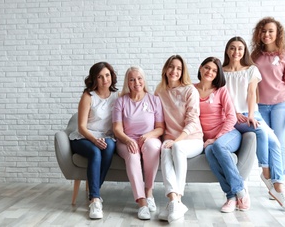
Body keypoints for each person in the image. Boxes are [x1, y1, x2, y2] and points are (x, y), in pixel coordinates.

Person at [222, 36, 285, 212]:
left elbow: (252, 94)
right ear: (227, 51)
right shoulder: (221, 72)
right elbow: (223, 97)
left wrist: (252, 115)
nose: (236, 52)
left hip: (252, 113)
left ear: (244, 51)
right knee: (260, 132)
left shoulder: (251, 70)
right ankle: (266, 172)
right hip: (233, 116)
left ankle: (278, 185)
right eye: (232, 48)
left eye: (239, 48)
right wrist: (236, 113)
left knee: (275, 142)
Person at [195, 57, 250, 213]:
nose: (210, 72)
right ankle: (231, 197)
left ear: (218, 73)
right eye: (207, 68)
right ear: (200, 68)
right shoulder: (191, 90)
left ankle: (239, 189)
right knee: (210, 152)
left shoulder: (221, 91)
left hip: (229, 134)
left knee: (217, 146)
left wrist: (216, 137)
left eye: (214, 70)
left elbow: (232, 117)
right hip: (208, 140)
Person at [155, 55, 204, 223]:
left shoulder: (190, 90)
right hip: (171, 139)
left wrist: (177, 140)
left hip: (192, 139)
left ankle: (178, 200)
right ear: (165, 69)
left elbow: (192, 121)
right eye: (171, 67)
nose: (174, 71)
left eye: (179, 68)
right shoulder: (159, 92)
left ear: (183, 72)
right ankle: (173, 200)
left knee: (176, 148)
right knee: (165, 149)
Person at [112, 66, 164, 220]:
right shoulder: (120, 101)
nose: (136, 82)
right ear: (127, 82)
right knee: (133, 154)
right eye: (132, 79)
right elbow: (117, 129)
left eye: (139, 78)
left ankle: (149, 192)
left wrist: (149, 135)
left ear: (144, 80)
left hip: (149, 138)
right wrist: (128, 140)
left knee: (153, 146)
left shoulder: (154, 100)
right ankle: (142, 203)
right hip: (126, 140)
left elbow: (160, 128)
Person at [69, 62, 119, 219]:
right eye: (100, 76)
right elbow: (82, 126)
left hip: (106, 136)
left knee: (110, 146)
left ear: (112, 76)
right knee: (95, 152)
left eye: (107, 75)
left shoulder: (118, 96)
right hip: (84, 137)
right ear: (94, 79)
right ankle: (95, 199)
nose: (105, 79)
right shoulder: (88, 96)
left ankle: (94, 190)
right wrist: (95, 140)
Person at [250, 17, 285, 178]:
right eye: (263, 31)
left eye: (270, 31)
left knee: (278, 143)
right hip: (260, 106)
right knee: (265, 142)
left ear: (278, 34)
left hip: (280, 105)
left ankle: (279, 179)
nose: (266, 34)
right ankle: (270, 177)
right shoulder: (255, 56)